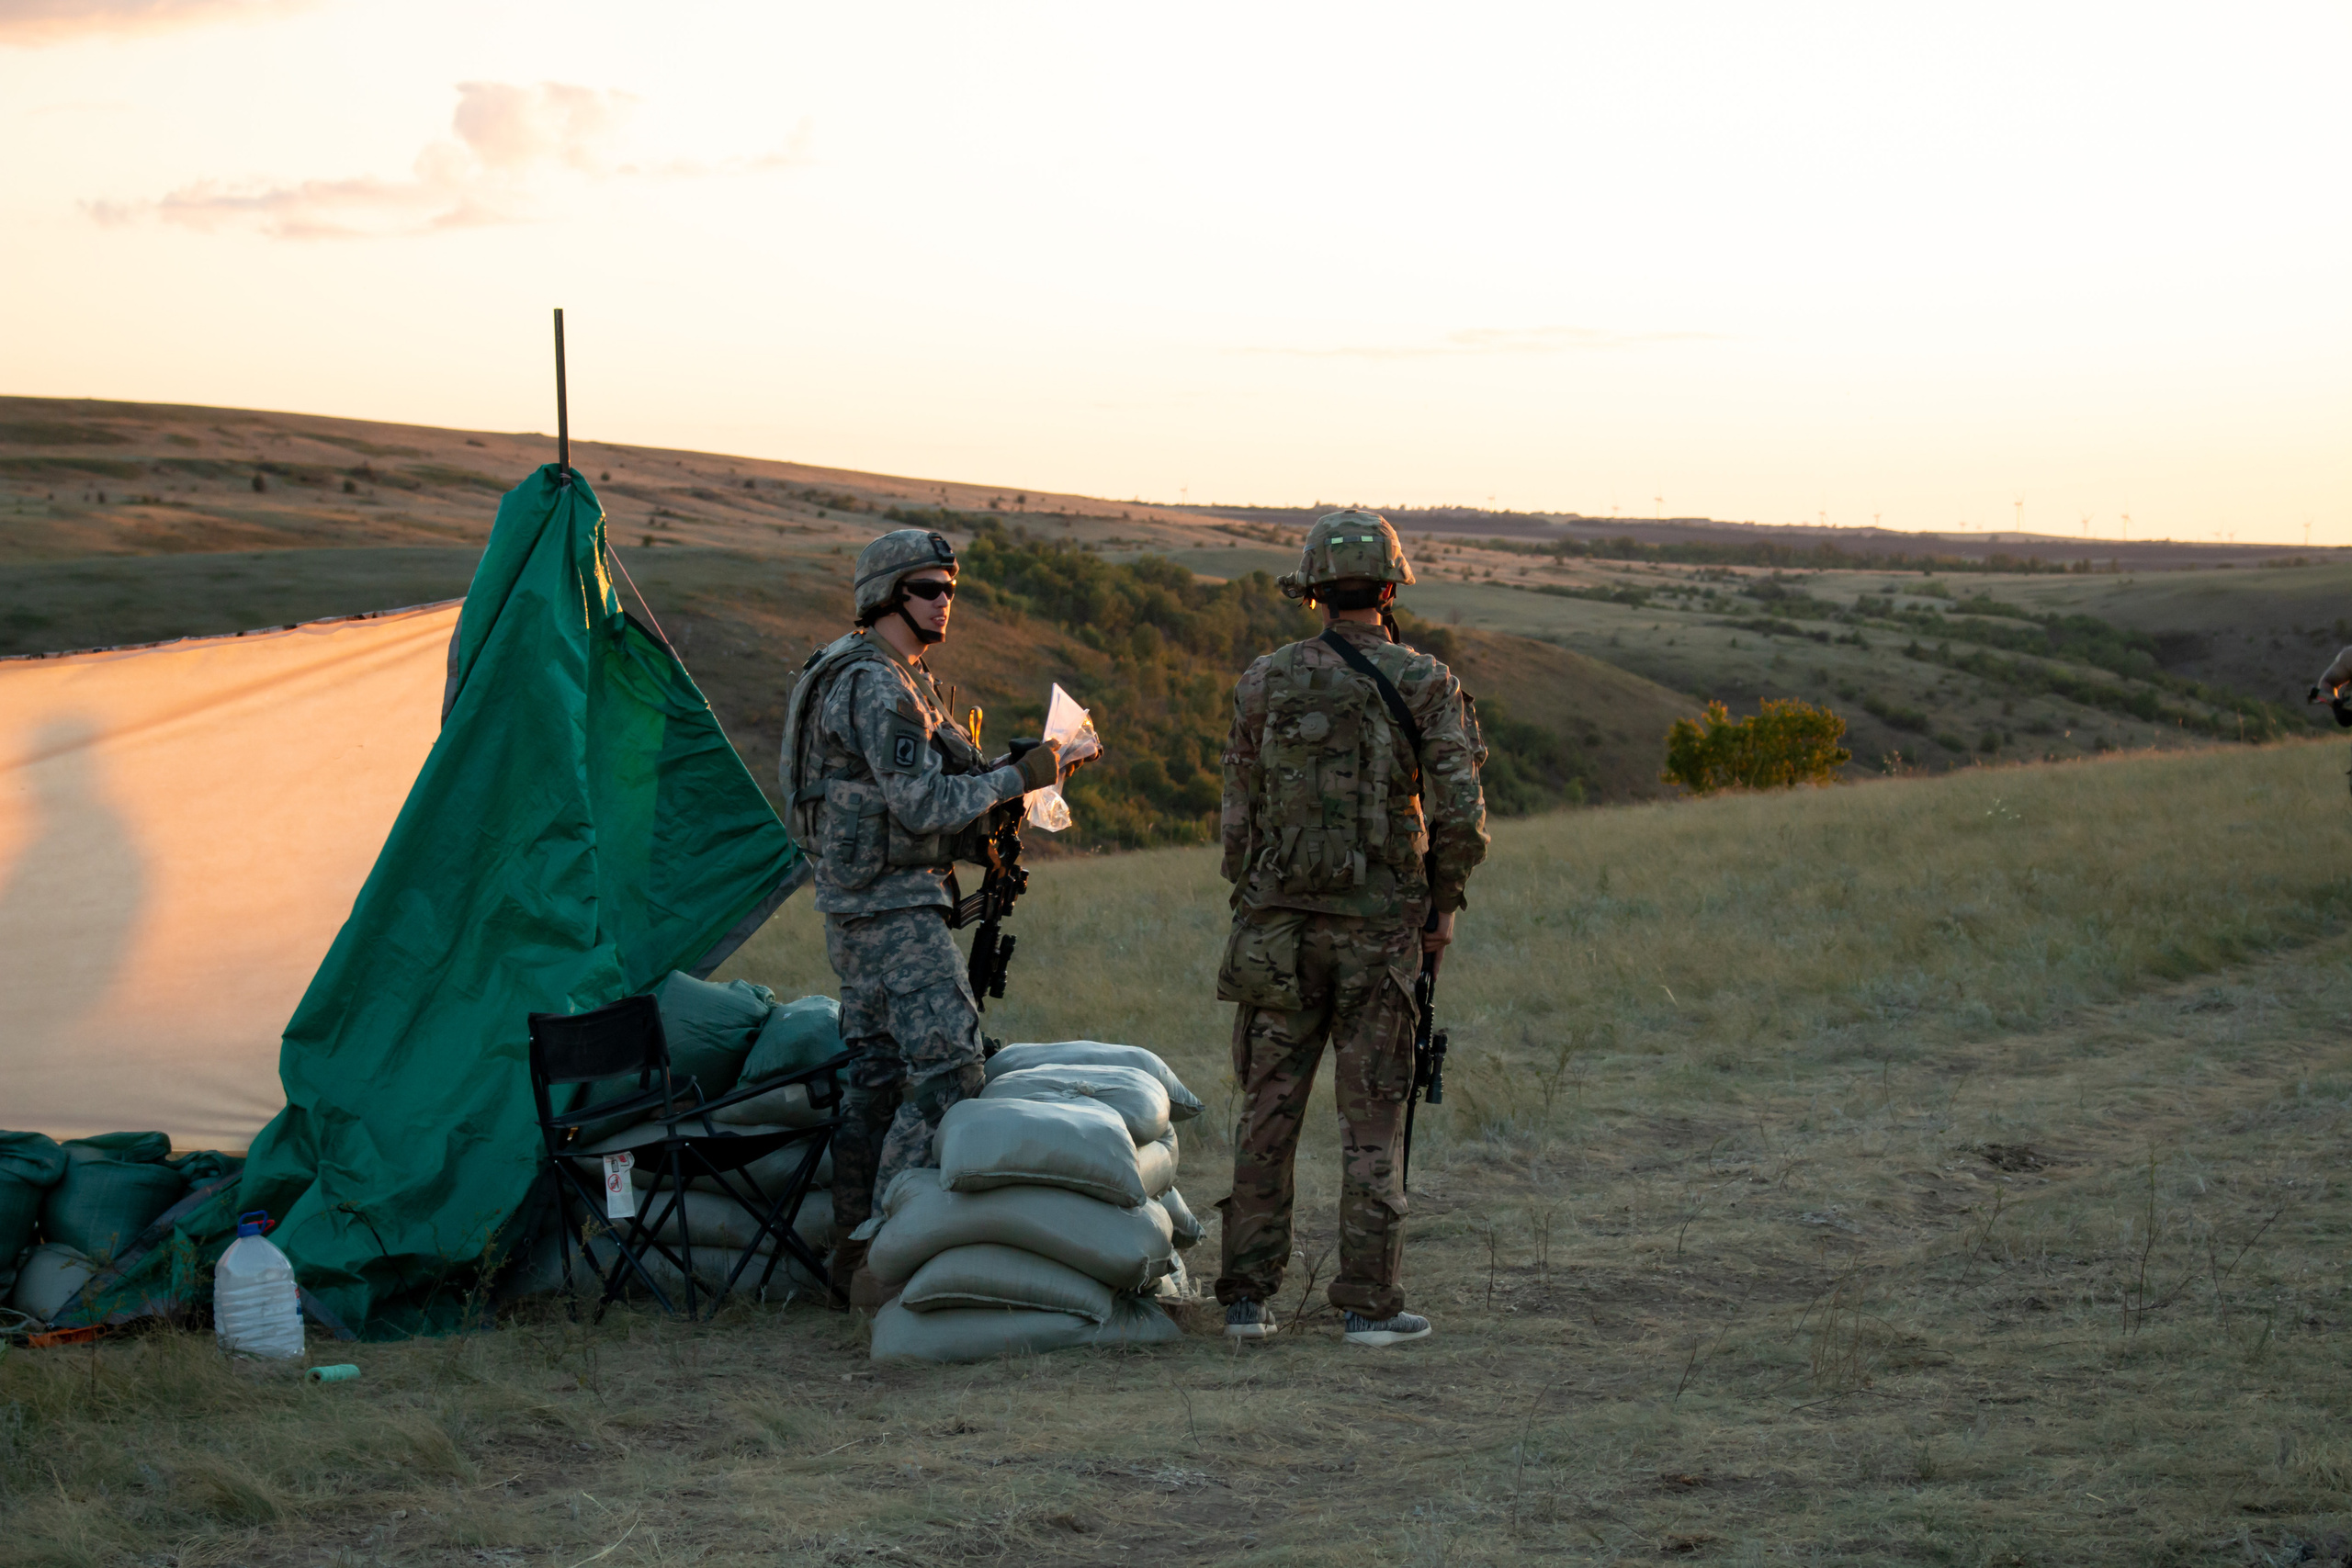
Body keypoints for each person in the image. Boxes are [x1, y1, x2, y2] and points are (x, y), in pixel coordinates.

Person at [780, 528, 1083, 1307]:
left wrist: (1019, 772)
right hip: (891, 908)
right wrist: (1021, 776)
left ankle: (852, 1261)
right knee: (950, 1067)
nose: (944, 601)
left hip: (865, 903)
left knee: (877, 1081)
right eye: (928, 588)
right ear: (887, 595)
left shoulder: (882, 674)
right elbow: (920, 804)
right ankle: (885, 1250)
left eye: (950, 588)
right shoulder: (879, 684)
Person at [1214, 509, 1489, 1347]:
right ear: (1391, 588)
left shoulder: (1263, 680)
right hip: (1380, 934)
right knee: (1373, 1122)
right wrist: (1441, 907)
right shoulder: (1425, 681)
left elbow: (1235, 821)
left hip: (1277, 931)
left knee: (1267, 1111)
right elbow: (1461, 813)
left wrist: (1265, 895)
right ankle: (1369, 1303)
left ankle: (1246, 1300)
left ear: (1313, 592)